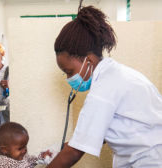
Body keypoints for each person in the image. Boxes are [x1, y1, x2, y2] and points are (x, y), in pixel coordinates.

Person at [47, 1, 162, 168]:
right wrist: (59, 148)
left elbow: (74, 153)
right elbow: (100, 133)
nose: (69, 78)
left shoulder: (103, 89)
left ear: (88, 60)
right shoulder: (121, 74)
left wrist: (68, 149)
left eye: (70, 71)